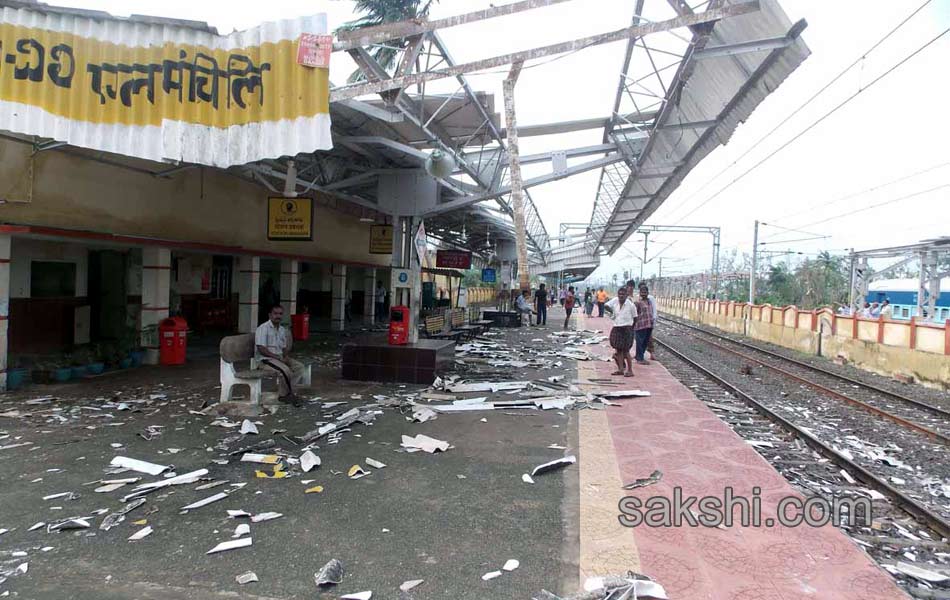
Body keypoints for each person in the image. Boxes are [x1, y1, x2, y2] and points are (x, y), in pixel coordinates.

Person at [255, 304, 305, 406]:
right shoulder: (263, 328)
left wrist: (285, 356)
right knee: (285, 370)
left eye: (280, 314)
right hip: (266, 360)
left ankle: (288, 393)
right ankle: (284, 396)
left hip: (279, 358)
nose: (278, 316)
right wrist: (277, 357)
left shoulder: (282, 330)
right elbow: (261, 349)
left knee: (299, 367)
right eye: (275, 313)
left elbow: (283, 348)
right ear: (270, 315)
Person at [603, 286, 637, 377]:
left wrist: (631, 329)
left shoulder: (631, 305)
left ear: (627, 295)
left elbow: (635, 318)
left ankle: (630, 370)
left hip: (627, 328)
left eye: (623, 294)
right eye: (619, 294)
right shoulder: (615, 301)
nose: (621, 296)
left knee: (626, 351)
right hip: (617, 327)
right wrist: (612, 312)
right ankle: (621, 369)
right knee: (618, 350)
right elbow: (606, 305)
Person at [633, 284, 655, 365]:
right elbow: (635, 313)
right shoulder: (637, 302)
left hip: (648, 324)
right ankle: (640, 358)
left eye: (645, 292)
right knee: (640, 342)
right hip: (640, 325)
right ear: (640, 293)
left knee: (645, 342)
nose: (643, 294)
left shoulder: (649, 301)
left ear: (648, 293)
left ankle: (640, 356)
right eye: (642, 292)